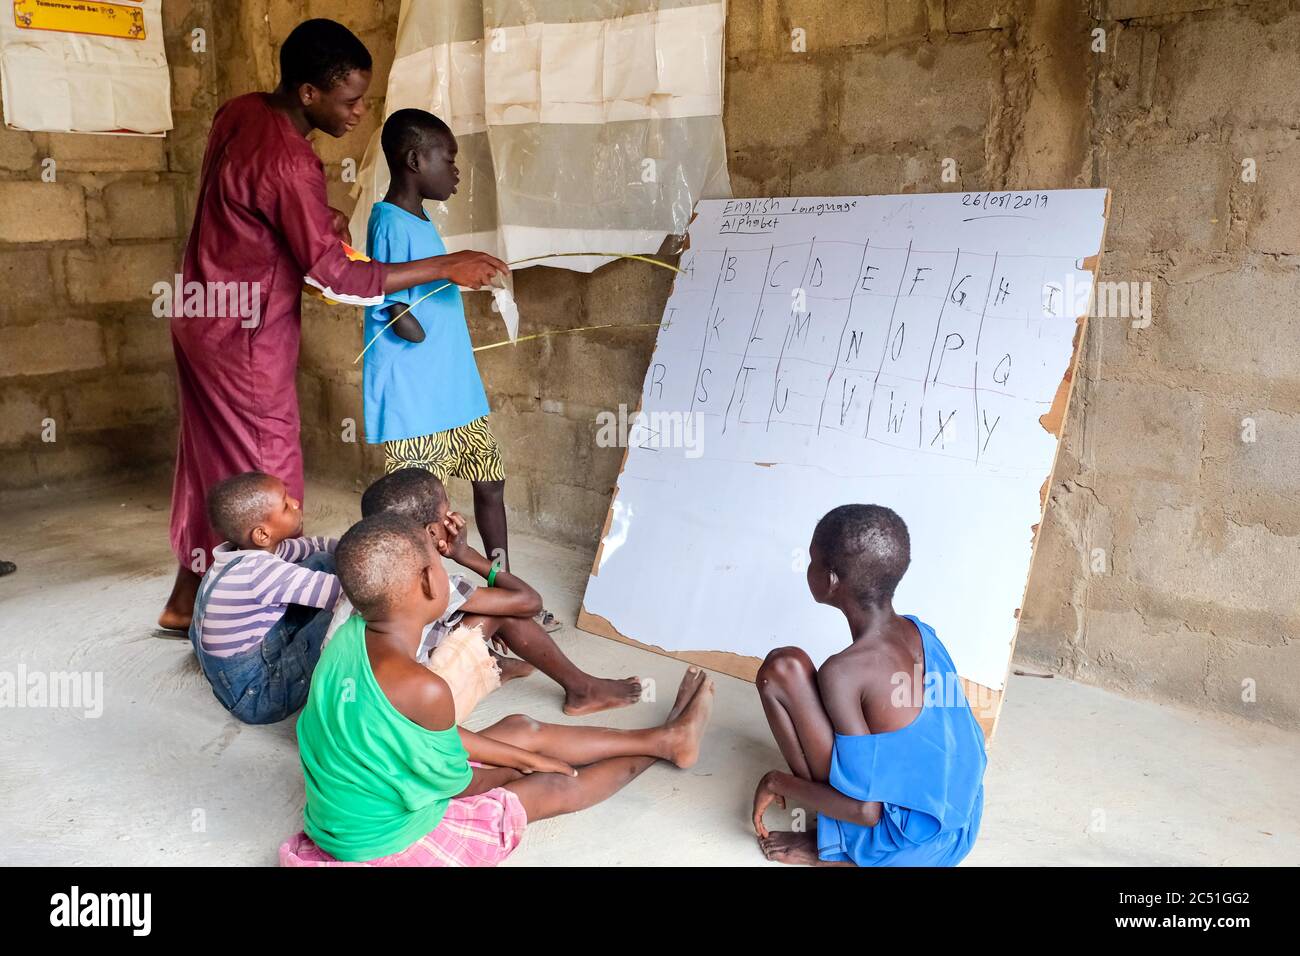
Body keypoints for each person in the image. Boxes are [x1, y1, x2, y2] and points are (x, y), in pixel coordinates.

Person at [159, 19, 508, 633]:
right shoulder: (293, 164)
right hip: (246, 336)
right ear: (307, 93)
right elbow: (339, 278)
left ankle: (188, 595)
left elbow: (250, 206)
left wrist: (317, 219)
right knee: (273, 481)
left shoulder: (241, 112)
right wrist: (451, 265)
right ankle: (265, 622)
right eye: (349, 100)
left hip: (199, 312)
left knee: (209, 460)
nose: (359, 112)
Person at [280, 512, 715, 867]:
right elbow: (461, 784)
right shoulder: (422, 688)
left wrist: (524, 756)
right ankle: (664, 746)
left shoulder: (349, 642)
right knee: (552, 786)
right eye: (439, 561)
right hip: (386, 844)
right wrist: (521, 772)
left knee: (521, 730)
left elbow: (424, 735)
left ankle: (665, 740)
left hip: (351, 809)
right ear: (431, 584)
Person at [362, 106, 560, 634]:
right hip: (415, 397)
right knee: (421, 514)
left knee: (489, 482)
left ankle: (504, 589)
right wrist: (421, 326)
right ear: (413, 159)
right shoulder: (388, 222)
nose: (454, 171)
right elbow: (390, 304)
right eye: (446, 159)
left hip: (454, 391)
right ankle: (426, 611)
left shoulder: (421, 222)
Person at [751, 504, 987, 866]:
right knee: (785, 667)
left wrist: (774, 781)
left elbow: (866, 810)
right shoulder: (920, 631)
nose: (807, 567)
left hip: (910, 848)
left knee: (777, 675)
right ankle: (840, 835)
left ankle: (837, 849)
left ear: (829, 580)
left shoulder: (843, 673)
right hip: (959, 822)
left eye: (812, 560)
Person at [326, 467, 641, 715]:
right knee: (507, 614)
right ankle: (581, 689)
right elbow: (530, 603)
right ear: (433, 532)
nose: (455, 519)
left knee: (473, 609)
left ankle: (493, 663)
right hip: (412, 713)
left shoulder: (368, 573)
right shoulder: (433, 583)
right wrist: (466, 554)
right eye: (447, 512)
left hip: (353, 710)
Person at [190, 472, 339, 724]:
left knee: (321, 561)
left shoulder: (246, 552)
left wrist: (355, 545)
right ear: (262, 534)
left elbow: (315, 546)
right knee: (345, 616)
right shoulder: (259, 572)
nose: (295, 503)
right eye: (285, 504)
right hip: (258, 695)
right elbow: (349, 593)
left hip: (243, 663)